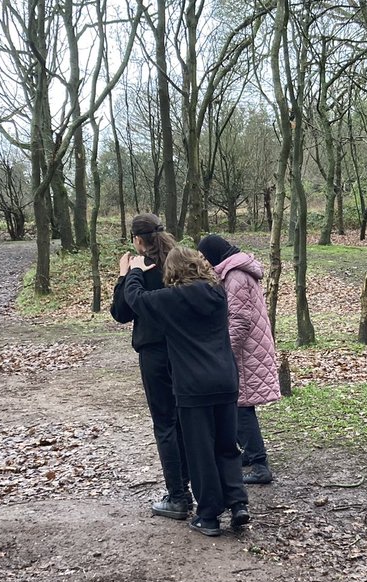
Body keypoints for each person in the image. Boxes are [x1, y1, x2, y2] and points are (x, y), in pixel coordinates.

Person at [124, 245, 250, 538]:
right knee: (227, 446)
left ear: (173, 270)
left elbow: (136, 300)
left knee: (200, 452)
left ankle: (208, 516)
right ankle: (238, 502)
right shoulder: (218, 293)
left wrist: (134, 272)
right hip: (226, 380)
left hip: (193, 387)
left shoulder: (171, 299)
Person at [110, 215, 192, 521]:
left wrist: (124, 274)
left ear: (137, 240)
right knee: (184, 419)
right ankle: (193, 487)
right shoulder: (179, 262)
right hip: (184, 350)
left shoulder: (141, 269)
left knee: (165, 423)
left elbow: (121, 312)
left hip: (155, 353)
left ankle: (177, 496)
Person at [197, 234, 280, 486]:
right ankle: (249, 454)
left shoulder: (235, 276)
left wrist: (226, 353)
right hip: (248, 349)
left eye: (203, 256)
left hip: (245, 352)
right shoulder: (234, 271)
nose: (202, 262)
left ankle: (259, 464)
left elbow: (240, 320)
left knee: (242, 407)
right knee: (238, 405)